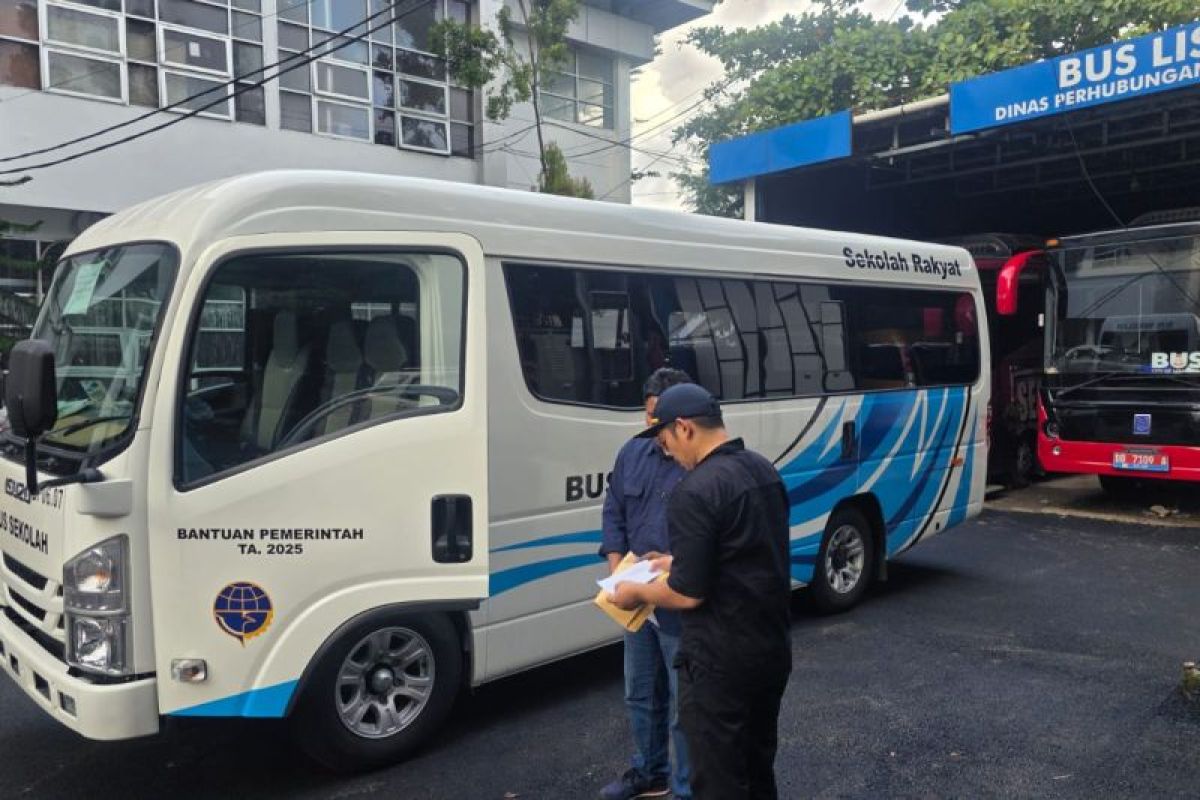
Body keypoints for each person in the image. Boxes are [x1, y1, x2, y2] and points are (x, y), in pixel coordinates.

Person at [609, 383, 793, 800]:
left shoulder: (694, 490)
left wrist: (636, 591)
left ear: (684, 428)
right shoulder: (763, 470)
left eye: (665, 440)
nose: (668, 452)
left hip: (719, 662)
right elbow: (744, 551)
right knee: (757, 768)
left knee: (718, 779)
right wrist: (673, 560)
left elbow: (687, 594)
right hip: (769, 650)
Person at [599, 367, 695, 800]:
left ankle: (686, 787)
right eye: (648, 414)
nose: (653, 425)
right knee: (640, 693)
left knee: (684, 702)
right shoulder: (632, 453)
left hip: (677, 599)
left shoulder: (697, 463)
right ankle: (649, 771)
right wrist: (619, 573)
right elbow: (614, 512)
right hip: (636, 599)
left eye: (661, 417)